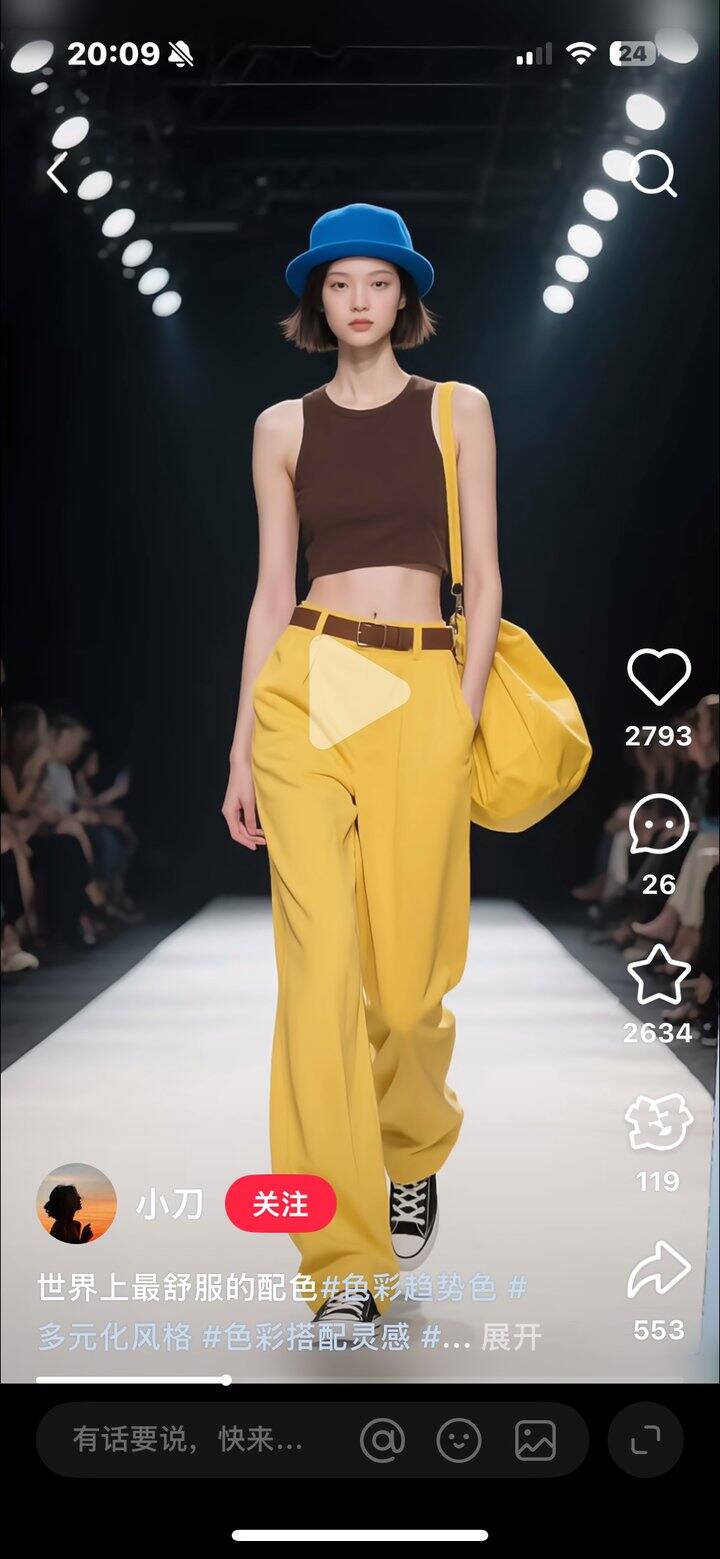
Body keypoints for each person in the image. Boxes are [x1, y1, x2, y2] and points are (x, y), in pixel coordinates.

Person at [222, 204, 501, 1336]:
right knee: (318, 974)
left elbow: (486, 577)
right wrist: (242, 742)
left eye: (377, 282)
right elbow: (270, 590)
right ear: (316, 301)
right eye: (339, 284)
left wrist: (459, 715)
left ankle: (409, 1146)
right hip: (309, 683)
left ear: (405, 297)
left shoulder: (458, 408)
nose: (358, 301)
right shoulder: (280, 426)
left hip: (423, 686)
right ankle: (343, 1258)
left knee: (410, 984)